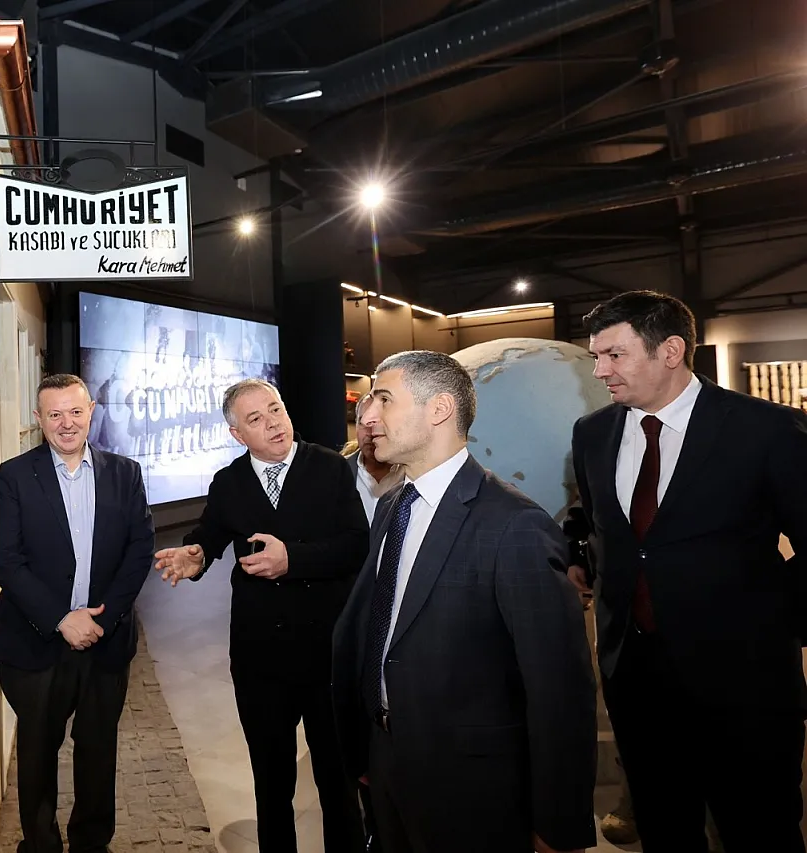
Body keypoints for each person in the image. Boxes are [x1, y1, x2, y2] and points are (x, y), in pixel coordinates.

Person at [332, 350, 597, 853]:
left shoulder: (515, 525)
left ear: (439, 409)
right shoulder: (392, 506)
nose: (367, 416)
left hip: (472, 787)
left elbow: (558, 687)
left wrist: (558, 823)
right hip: (386, 763)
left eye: (384, 399)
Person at [571, 290, 807, 853]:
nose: (600, 371)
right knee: (664, 828)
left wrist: (775, 626)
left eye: (614, 355)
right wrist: (578, 554)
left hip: (745, 683)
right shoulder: (593, 433)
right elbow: (597, 519)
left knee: (760, 830)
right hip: (636, 680)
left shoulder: (767, 429)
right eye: (597, 356)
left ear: (671, 350)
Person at [154, 378, 369, 853]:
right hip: (260, 658)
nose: (273, 423)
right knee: (272, 783)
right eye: (256, 418)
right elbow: (209, 535)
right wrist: (194, 555)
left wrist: (293, 559)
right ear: (238, 434)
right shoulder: (229, 482)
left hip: (326, 653)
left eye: (276, 409)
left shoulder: (329, 467)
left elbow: (356, 546)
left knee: (337, 780)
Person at [0, 374, 155, 853]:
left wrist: (102, 619)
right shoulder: (15, 475)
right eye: (55, 414)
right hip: (37, 642)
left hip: (106, 639)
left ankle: (91, 844)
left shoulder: (126, 473)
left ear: (92, 412)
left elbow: (139, 550)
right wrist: (62, 619)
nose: (67, 423)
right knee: (37, 753)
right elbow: (7, 561)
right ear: (38, 419)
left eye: (76, 412)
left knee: (98, 750)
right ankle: (41, 844)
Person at [348, 391, 406, 524]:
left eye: (379, 423)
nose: (371, 432)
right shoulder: (336, 472)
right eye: (364, 423)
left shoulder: (414, 474)